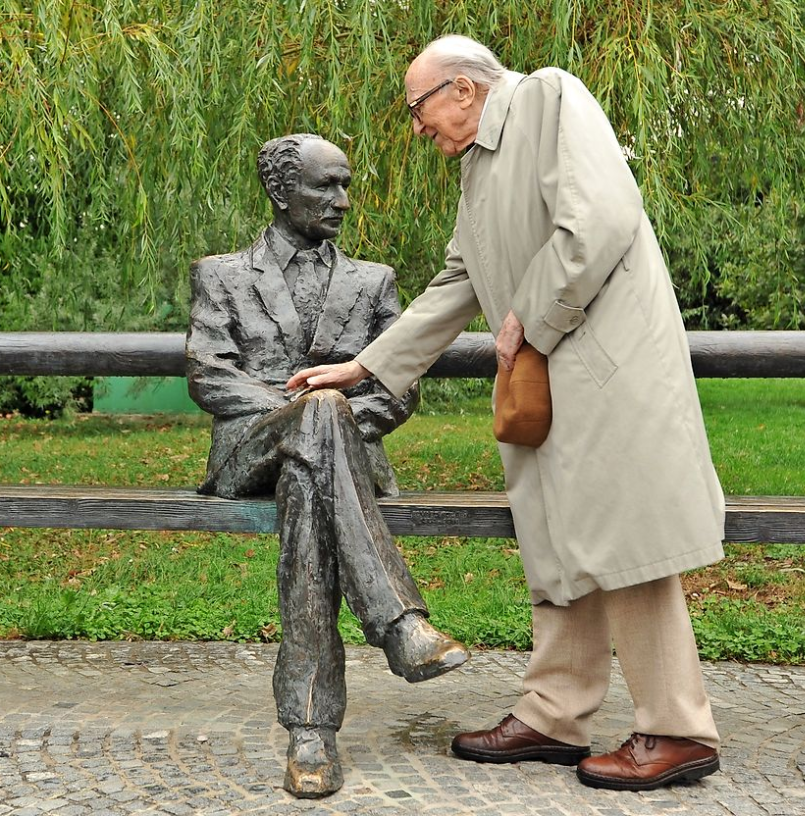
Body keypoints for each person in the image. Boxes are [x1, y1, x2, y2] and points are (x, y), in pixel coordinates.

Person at [286, 37, 727, 792]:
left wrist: (528, 316)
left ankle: (678, 728)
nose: (418, 127)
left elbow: (603, 218)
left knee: (629, 544)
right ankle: (556, 714)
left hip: (608, 371)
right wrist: (369, 365)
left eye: (419, 107)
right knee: (555, 538)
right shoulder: (478, 166)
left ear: (462, 89)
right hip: (548, 380)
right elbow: (457, 280)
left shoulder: (549, 97)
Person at [186, 133, 469, 799]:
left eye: (346, 185)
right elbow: (208, 374)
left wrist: (331, 419)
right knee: (317, 418)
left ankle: (311, 734)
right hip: (249, 451)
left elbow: (398, 387)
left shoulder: (373, 282)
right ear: (281, 192)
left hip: (328, 468)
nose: (343, 201)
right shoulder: (221, 275)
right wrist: (307, 408)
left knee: (308, 484)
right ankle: (400, 624)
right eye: (327, 187)